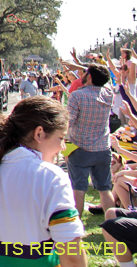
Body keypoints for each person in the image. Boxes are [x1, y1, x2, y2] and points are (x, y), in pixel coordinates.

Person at [0, 96, 87, 267]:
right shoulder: (51, 177)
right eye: (61, 138)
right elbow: (72, 255)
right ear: (39, 133)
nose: (63, 147)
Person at [67, 63, 115, 216]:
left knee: (78, 190)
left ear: (90, 76)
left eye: (86, 72)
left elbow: (69, 122)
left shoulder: (77, 96)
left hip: (80, 148)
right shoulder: (109, 94)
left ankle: (75, 228)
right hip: (103, 148)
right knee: (105, 189)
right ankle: (112, 224)